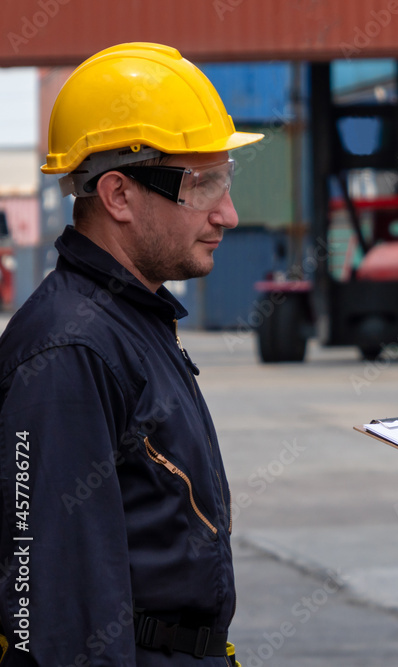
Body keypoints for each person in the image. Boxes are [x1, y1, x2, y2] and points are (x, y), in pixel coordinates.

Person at [0, 42, 262, 665]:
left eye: (227, 180)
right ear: (117, 195)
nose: (228, 212)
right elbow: (57, 614)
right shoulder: (70, 351)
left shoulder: (132, 320)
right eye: (205, 185)